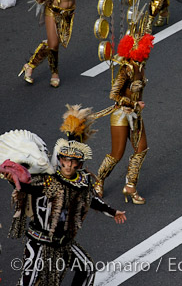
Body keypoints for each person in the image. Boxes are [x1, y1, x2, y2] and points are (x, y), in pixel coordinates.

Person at [1, 105, 127, 286]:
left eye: (73, 162)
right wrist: (12, 178)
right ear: (59, 160)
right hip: (40, 243)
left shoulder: (82, 182)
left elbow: (91, 198)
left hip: (63, 244)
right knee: (28, 283)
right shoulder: (47, 180)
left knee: (87, 269)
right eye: (65, 161)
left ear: (80, 164)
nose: (68, 165)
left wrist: (113, 211)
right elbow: (27, 186)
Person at [93, 29, 155, 204]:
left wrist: (136, 108)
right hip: (121, 115)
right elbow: (114, 95)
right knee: (117, 154)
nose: (148, 51)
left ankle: (130, 186)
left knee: (141, 149)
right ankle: (99, 179)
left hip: (135, 115)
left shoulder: (141, 67)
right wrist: (133, 104)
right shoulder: (125, 70)